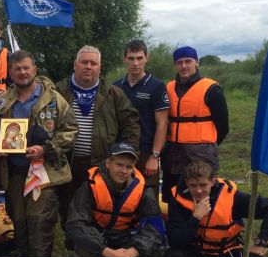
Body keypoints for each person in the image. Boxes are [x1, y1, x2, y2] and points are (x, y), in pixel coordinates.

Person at [0, 50, 77, 257]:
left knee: (39, 225)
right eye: (17, 69)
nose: (22, 72)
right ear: (10, 73)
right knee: (18, 224)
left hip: (43, 175)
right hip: (14, 175)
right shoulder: (1, 102)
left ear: (34, 69)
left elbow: (71, 131)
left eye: (26, 68)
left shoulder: (54, 99)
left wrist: (46, 148)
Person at [55, 45, 140, 233]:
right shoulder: (58, 91)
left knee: (98, 206)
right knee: (68, 206)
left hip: (100, 163)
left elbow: (131, 123)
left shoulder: (113, 93)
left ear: (99, 68)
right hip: (67, 163)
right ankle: (73, 248)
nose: (88, 66)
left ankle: (97, 247)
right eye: (84, 62)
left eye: (93, 63)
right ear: (75, 65)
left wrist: (128, 155)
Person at [65, 143, 164, 257]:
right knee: (84, 248)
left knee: (149, 250)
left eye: (129, 167)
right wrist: (109, 253)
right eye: (119, 165)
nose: (123, 171)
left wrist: (131, 253)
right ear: (108, 163)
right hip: (97, 237)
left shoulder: (143, 189)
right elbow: (75, 224)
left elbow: (156, 227)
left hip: (126, 238)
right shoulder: (90, 184)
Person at [167, 160, 268, 257]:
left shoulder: (232, 197)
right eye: (193, 186)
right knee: (173, 256)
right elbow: (175, 240)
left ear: (212, 182)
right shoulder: (178, 200)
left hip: (227, 253)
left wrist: (260, 242)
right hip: (196, 251)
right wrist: (196, 218)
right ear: (187, 183)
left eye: (203, 185)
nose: (198, 191)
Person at [161, 46, 229, 204]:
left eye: (188, 61)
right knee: (172, 193)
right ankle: (173, 226)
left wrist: (207, 144)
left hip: (200, 152)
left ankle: (201, 225)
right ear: (175, 65)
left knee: (199, 192)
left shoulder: (211, 89)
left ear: (196, 63)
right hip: (172, 152)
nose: (184, 66)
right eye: (179, 62)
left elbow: (223, 126)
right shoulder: (168, 88)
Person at [113, 40, 169, 199]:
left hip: (146, 152)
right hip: (121, 150)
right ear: (124, 59)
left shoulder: (156, 86)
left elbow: (162, 124)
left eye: (139, 58)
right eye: (131, 58)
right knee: (120, 194)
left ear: (146, 58)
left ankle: (150, 225)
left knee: (147, 197)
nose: (135, 63)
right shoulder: (116, 86)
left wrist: (154, 156)